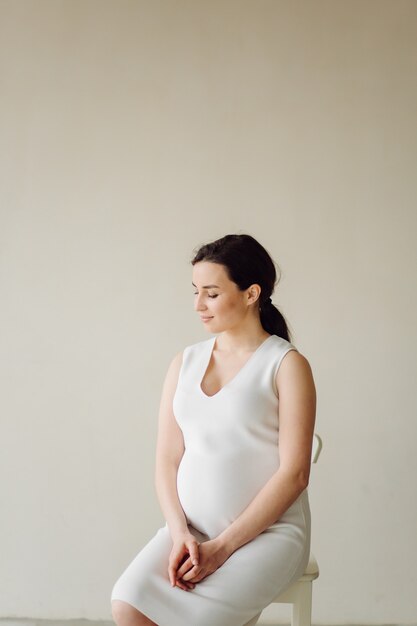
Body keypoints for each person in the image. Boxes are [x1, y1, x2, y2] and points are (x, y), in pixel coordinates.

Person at [111, 233, 316, 626]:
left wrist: (222, 549)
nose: (198, 305)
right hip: (192, 532)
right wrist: (179, 533)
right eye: (195, 292)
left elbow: (295, 474)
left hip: (268, 537)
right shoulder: (184, 362)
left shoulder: (286, 365)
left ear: (251, 293)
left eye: (211, 293)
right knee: (128, 601)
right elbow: (166, 462)